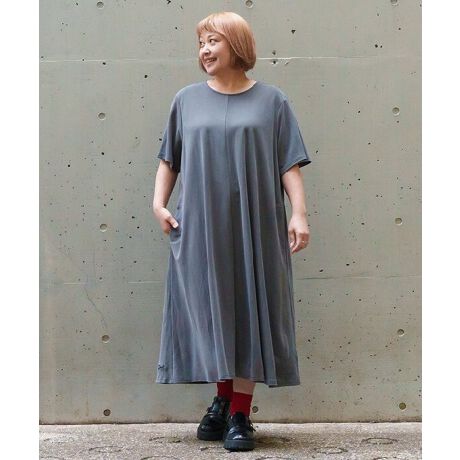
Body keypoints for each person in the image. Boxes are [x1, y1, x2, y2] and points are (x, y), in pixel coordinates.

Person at [152, 11, 312, 452]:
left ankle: (240, 411)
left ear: (236, 45)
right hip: (201, 224)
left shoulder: (272, 101)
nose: (204, 50)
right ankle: (223, 398)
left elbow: (289, 163)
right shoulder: (185, 100)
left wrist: (299, 213)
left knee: (249, 310)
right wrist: (158, 203)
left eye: (213, 41)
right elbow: (169, 158)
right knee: (211, 309)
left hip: (256, 224)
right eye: (201, 42)